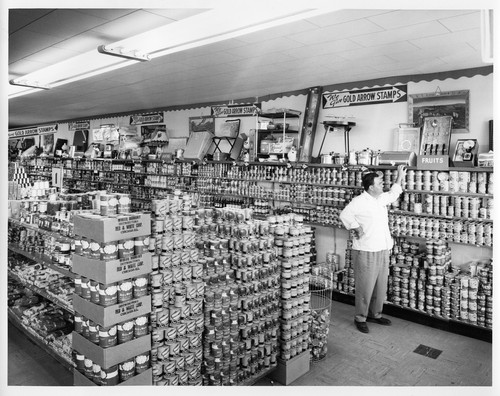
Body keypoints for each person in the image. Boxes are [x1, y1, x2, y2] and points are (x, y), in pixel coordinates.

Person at [339, 164, 407, 333]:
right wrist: (357, 228)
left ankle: (375, 314)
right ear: (371, 187)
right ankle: (360, 317)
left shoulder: (380, 198)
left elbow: (394, 193)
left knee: (380, 285)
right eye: (379, 183)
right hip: (366, 250)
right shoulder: (359, 202)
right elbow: (344, 215)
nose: (382, 185)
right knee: (365, 286)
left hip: (383, 248)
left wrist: (400, 175)